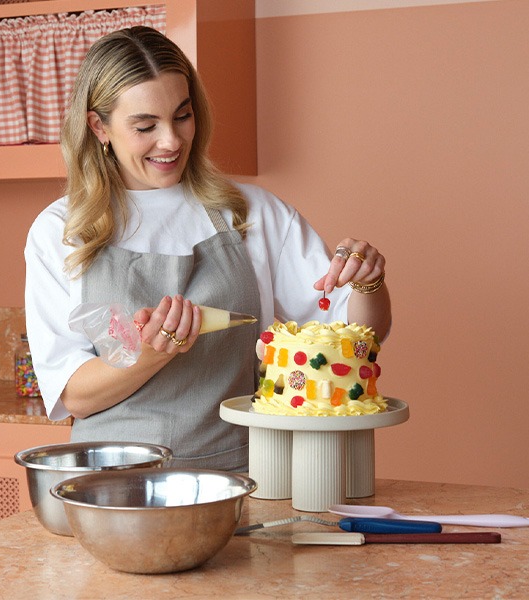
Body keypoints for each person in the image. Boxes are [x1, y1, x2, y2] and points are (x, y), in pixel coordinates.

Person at [24, 26, 391, 471]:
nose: (172, 141)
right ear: (99, 126)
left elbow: (355, 338)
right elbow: (71, 394)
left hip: (245, 473)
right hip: (112, 485)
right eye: (145, 126)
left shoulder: (252, 212)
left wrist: (369, 286)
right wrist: (150, 355)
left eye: (182, 116)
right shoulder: (61, 230)